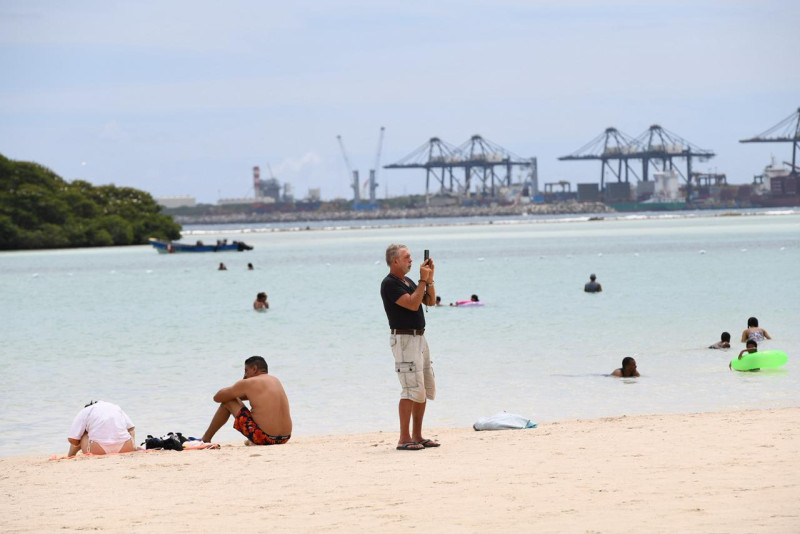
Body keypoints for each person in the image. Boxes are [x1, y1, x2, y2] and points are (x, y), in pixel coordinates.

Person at [380, 244, 439, 451]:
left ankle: (417, 435)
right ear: (395, 261)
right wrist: (423, 280)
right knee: (410, 388)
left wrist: (429, 279)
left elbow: (430, 302)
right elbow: (413, 304)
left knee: (422, 387)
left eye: (411, 258)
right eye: (407, 258)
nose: (411, 261)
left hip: (419, 338)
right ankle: (404, 438)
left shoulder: (409, 281)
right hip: (404, 340)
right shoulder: (389, 284)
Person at [201, 356, 292, 446]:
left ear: (254, 369)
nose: (245, 375)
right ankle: (252, 440)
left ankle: (205, 439)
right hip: (284, 438)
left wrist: (241, 385)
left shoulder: (249, 382)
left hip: (264, 437)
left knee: (228, 401)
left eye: (246, 371)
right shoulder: (275, 380)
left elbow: (217, 397)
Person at [67, 400, 136, 456]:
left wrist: (81, 443)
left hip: (98, 450)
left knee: (81, 433)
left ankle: (71, 455)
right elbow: (131, 428)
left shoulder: (86, 410)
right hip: (126, 448)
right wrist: (132, 442)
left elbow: (72, 439)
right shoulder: (115, 407)